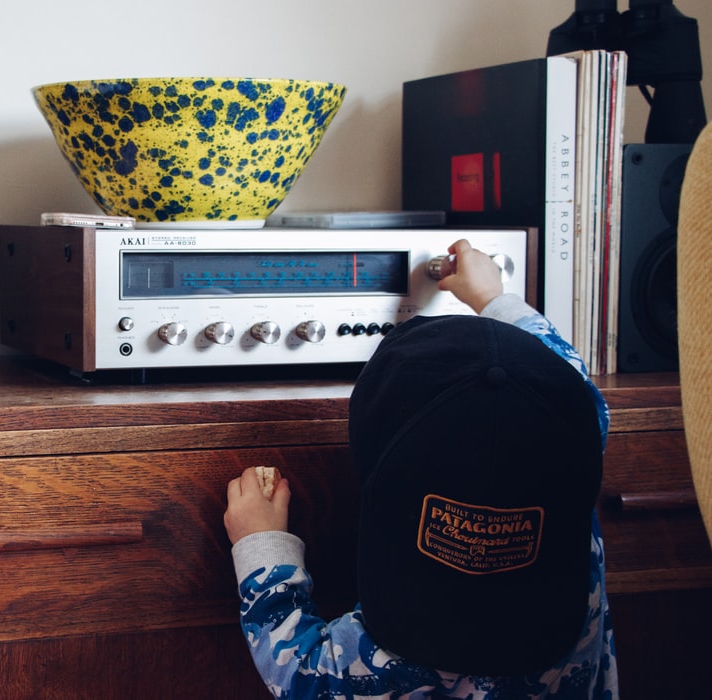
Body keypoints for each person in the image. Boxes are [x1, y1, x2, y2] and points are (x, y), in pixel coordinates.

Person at [224, 239, 618, 698]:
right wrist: (496, 299)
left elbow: (297, 671)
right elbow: (577, 390)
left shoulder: (387, 658)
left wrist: (260, 541)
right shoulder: (577, 571)